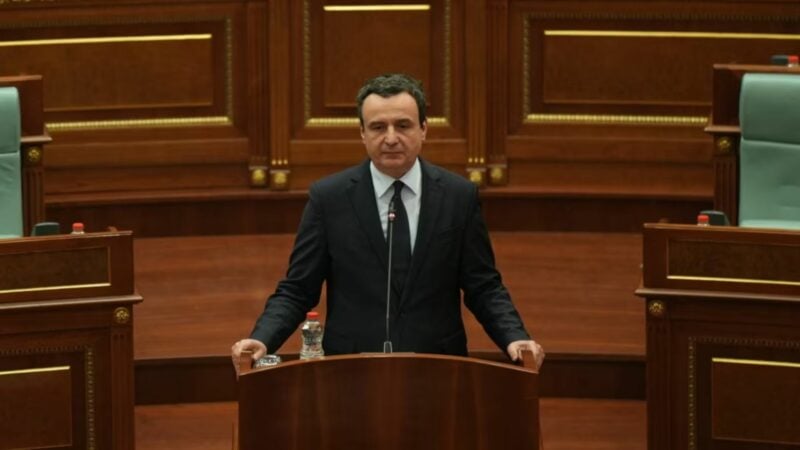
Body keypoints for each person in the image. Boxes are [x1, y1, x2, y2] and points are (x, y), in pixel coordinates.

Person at [231, 73, 544, 369]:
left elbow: (483, 286)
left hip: (438, 366)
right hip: (351, 368)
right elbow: (299, 288)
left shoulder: (457, 196)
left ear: (423, 129)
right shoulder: (330, 198)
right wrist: (262, 339)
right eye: (378, 127)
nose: (391, 138)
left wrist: (514, 337)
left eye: (403, 125)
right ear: (362, 133)